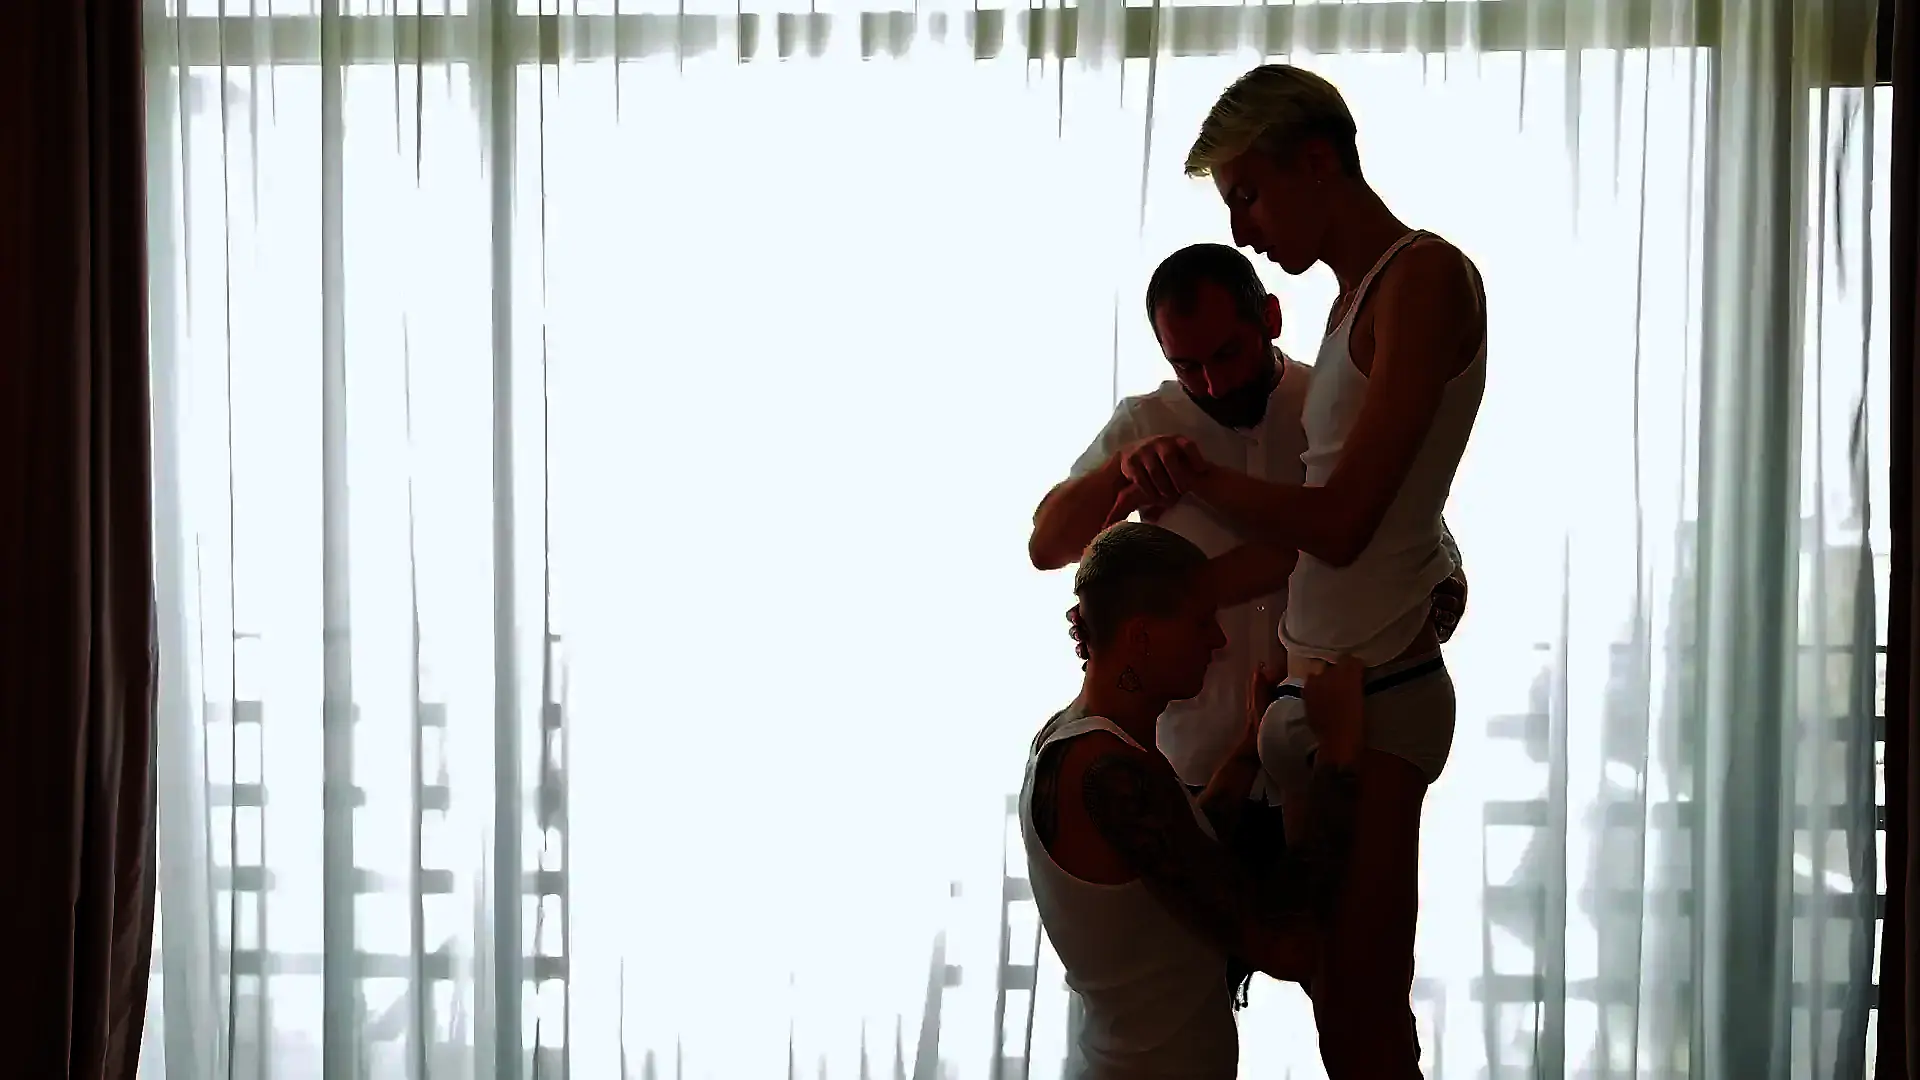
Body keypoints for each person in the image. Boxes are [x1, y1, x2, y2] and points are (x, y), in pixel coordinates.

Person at [1153, 64, 1490, 1079]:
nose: (1241, 228)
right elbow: (1374, 524)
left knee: (1363, 1015)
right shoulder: (1348, 306)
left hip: (1375, 695)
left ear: (1315, 161)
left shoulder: (1423, 278)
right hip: (1318, 688)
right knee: (1341, 1008)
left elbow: (1344, 523)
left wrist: (1197, 476)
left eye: (1248, 195)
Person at [1029, 243, 1466, 798]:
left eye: (1227, 353)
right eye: (1187, 366)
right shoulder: (1146, 420)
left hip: (1325, 756)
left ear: (1271, 318)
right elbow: (1047, 547)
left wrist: (1445, 587)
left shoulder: (1334, 407)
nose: (1213, 384)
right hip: (1191, 766)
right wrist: (1119, 467)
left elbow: (1397, 530)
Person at [1019, 521, 1368, 1080]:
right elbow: (1285, 945)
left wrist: (1250, 746)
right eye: (1201, 621)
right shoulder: (1105, 769)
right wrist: (1339, 755)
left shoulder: (1075, 739)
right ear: (1142, 636)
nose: (1218, 640)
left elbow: (1177, 851)